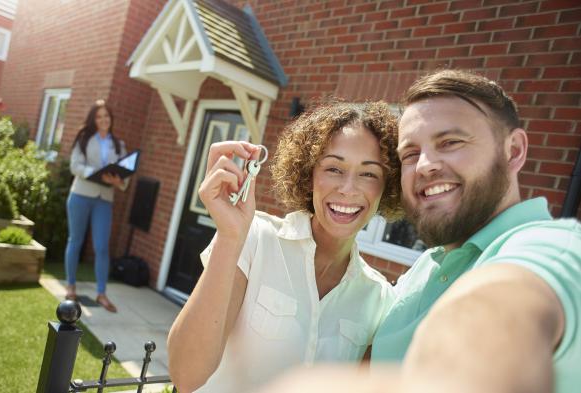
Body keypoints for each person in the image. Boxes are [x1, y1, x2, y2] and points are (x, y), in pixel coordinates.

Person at [257, 70, 581, 393]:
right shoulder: (422, 270)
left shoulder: (555, 247)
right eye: (410, 154)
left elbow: (504, 310)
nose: (425, 165)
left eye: (450, 142)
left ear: (513, 151)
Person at [167, 101, 404, 393]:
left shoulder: (379, 298)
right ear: (309, 176)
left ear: (387, 185)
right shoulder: (254, 238)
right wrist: (229, 237)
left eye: (369, 173)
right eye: (333, 168)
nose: (348, 188)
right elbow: (186, 377)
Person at [64, 99, 127, 313]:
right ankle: (70, 286)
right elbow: (75, 166)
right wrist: (97, 174)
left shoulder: (118, 145)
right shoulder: (84, 139)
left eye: (106, 116)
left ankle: (101, 293)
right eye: (99, 116)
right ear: (93, 119)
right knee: (76, 241)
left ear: (111, 119)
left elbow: (123, 179)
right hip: (81, 194)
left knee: (101, 246)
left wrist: (118, 181)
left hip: (104, 199)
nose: (103, 120)